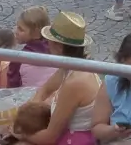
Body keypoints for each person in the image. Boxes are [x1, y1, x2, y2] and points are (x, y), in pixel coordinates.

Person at [24, 12, 104, 145]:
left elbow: (49, 138)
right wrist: (27, 114)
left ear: (59, 47)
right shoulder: (71, 67)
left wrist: (19, 133)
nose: (46, 43)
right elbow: (44, 89)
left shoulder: (75, 82)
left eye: (49, 40)